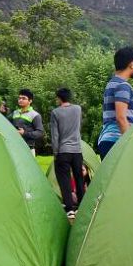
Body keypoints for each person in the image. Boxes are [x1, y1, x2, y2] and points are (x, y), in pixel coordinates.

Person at [97, 46, 133, 159]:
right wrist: (130, 143)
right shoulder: (123, 86)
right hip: (116, 141)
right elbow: (121, 118)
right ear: (131, 64)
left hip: (108, 140)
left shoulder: (111, 83)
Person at [50, 87, 85, 219]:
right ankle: (82, 205)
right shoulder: (78, 109)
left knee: (64, 180)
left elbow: (55, 135)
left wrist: (55, 153)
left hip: (63, 151)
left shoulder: (55, 112)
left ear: (59, 98)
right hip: (77, 150)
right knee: (79, 178)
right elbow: (78, 127)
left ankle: (69, 208)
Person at [9, 89, 44, 155]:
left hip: (28, 149)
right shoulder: (15, 113)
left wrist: (24, 133)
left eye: (23, 98)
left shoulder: (35, 115)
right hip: (14, 148)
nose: (20, 100)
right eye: (19, 98)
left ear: (30, 101)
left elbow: (40, 133)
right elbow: (4, 123)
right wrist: (3, 112)